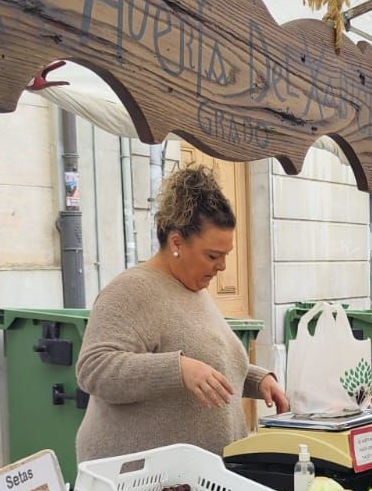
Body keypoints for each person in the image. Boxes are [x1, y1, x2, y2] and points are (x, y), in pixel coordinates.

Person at [77, 165, 290, 464]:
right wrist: (177, 369)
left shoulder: (194, 290)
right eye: (213, 256)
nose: (222, 267)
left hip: (196, 484)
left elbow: (207, 360)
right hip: (141, 485)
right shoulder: (131, 289)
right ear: (176, 242)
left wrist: (258, 380)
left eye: (226, 256)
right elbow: (93, 369)